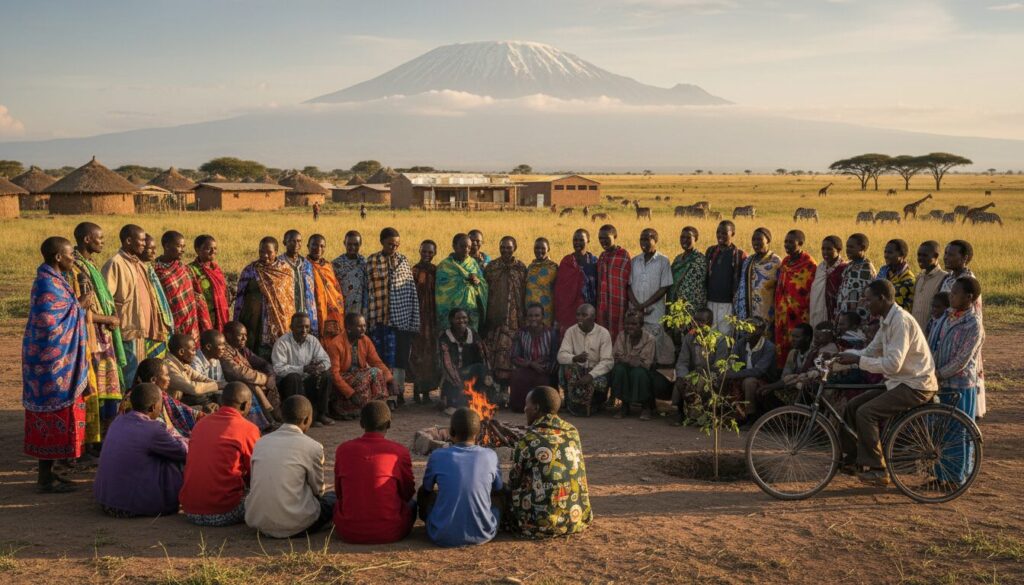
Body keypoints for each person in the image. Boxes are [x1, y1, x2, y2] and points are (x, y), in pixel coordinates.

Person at [836, 279, 938, 486]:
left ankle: (877, 468)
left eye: (868, 299)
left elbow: (893, 365)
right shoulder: (887, 320)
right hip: (899, 382)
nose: (865, 303)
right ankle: (854, 459)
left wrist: (858, 361)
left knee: (867, 412)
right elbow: (869, 352)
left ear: (882, 299)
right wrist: (840, 357)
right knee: (853, 406)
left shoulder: (900, 321)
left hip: (915, 384)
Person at [24, 236, 89, 493]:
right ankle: (45, 477)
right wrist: (80, 306)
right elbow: (50, 323)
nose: (74, 257)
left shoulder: (56, 280)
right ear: (58, 257)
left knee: (61, 415)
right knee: (50, 414)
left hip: (60, 360)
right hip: (48, 365)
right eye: (71, 253)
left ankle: (54, 473)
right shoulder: (45, 284)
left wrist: (76, 306)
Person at [66, 222, 125, 447]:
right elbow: (78, 308)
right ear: (87, 240)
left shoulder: (89, 265)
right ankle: (92, 443)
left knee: (108, 391)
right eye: (99, 238)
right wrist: (107, 319)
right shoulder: (75, 269)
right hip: (92, 339)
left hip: (103, 338)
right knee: (95, 393)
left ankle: (103, 441)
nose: (103, 241)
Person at [507, 386, 592, 538]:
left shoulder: (528, 439)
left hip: (540, 523)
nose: (524, 409)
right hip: (575, 517)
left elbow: (514, 480)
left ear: (536, 408)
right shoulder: (572, 431)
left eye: (527, 405)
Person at [245, 395, 335, 538]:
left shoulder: (261, 442)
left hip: (258, 521)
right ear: (307, 420)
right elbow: (318, 490)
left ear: (281, 415)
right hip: (296, 524)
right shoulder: (313, 447)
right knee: (333, 499)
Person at [94, 383, 188, 517]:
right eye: (161, 404)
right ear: (153, 407)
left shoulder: (118, 421)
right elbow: (184, 453)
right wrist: (179, 437)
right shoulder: (153, 429)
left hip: (106, 502)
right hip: (132, 506)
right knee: (176, 462)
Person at [927, 277, 984, 486]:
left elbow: (963, 358)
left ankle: (955, 477)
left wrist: (940, 373)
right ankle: (939, 475)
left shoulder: (973, 324)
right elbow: (934, 343)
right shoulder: (947, 316)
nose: (951, 296)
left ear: (968, 297)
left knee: (958, 431)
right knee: (940, 429)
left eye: (955, 293)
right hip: (941, 381)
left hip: (960, 384)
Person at [333, 401, 415, 544]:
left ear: (361, 424)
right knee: (414, 504)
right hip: (391, 530)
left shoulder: (343, 450)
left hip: (348, 531)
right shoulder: (399, 452)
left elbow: (339, 493)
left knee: (331, 499)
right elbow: (407, 493)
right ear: (389, 424)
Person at [419, 408, 503, 547]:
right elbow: (498, 488)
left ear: (451, 432)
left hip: (441, 535)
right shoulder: (490, 455)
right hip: (483, 534)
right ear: (479, 433)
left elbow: (426, 489)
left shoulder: (437, 456)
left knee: (425, 494)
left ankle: (437, 522)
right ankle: (483, 521)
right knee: (500, 497)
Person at [179, 382, 260, 526]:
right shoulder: (248, 429)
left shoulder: (201, 424)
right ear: (244, 405)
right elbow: (255, 474)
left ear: (222, 401)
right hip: (224, 511)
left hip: (190, 511)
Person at [102, 224, 169, 383]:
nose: (144, 245)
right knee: (129, 373)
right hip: (128, 328)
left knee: (142, 372)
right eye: (141, 241)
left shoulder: (139, 264)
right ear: (128, 241)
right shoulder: (115, 263)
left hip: (142, 329)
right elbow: (105, 299)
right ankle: (128, 405)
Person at [365, 227, 420, 405]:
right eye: (390, 244)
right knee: (381, 358)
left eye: (396, 244)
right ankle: (383, 394)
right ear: (382, 242)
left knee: (399, 358)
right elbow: (368, 290)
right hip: (379, 318)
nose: (393, 247)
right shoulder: (372, 261)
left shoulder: (403, 261)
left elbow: (410, 289)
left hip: (401, 319)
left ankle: (398, 393)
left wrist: (412, 319)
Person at [940, 239, 986, 418]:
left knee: (965, 371)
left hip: (965, 333)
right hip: (948, 328)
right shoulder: (950, 278)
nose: (946, 257)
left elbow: (975, 314)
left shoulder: (968, 282)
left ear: (964, 258)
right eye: (946, 253)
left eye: (951, 254)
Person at [234, 236, 296, 358]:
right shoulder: (250, 270)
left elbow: (289, 301)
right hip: (254, 321)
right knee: (253, 352)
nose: (265, 256)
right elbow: (240, 298)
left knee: (278, 354)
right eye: (261, 252)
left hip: (279, 321)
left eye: (269, 252)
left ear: (277, 252)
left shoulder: (285, 271)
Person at [483, 236, 528, 396]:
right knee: (494, 356)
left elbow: (525, 293)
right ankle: (497, 392)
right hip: (495, 319)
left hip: (515, 320)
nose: (505, 250)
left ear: (515, 248)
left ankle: (511, 392)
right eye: (502, 247)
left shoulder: (521, 268)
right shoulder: (492, 267)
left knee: (512, 356)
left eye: (509, 247)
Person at [324, 313, 393, 417]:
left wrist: (390, 379)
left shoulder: (365, 340)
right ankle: (366, 409)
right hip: (342, 379)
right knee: (369, 375)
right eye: (359, 326)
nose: (363, 329)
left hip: (357, 376)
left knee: (376, 371)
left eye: (364, 326)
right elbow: (334, 375)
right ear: (349, 328)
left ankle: (379, 407)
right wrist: (351, 393)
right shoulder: (336, 344)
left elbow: (376, 362)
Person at [272, 313, 333, 426]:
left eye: (307, 327)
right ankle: (300, 417)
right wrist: (302, 369)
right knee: (294, 377)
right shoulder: (282, 342)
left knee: (326, 375)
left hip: (306, 381)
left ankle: (321, 414)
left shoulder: (312, 341)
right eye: (300, 327)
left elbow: (326, 360)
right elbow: (278, 369)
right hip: (289, 385)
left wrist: (319, 367)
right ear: (291, 327)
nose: (304, 330)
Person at [153, 230, 212, 345]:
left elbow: (197, 296)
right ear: (167, 246)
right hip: (171, 323)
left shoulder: (184, 268)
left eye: (183, 246)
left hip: (191, 321)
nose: (183, 250)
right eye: (179, 246)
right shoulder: (156, 271)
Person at [557, 303, 614, 416]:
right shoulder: (571, 331)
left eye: (584, 315)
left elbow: (607, 361)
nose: (580, 318)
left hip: (595, 373)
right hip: (578, 371)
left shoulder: (603, 333)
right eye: (578, 315)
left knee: (602, 376)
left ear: (593, 317)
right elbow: (561, 355)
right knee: (566, 366)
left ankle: (595, 402)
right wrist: (574, 358)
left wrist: (591, 375)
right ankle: (572, 402)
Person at [673, 307, 726, 424]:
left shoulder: (720, 339)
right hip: (694, 373)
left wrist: (703, 375)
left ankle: (706, 415)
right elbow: (682, 361)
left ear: (710, 323)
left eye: (702, 321)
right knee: (680, 380)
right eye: (695, 320)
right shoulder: (689, 337)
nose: (697, 324)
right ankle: (679, 412)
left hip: (711, 374)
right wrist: (682, 376)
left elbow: (719, 366)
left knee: (702, 382)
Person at [129, 358, 204, 438]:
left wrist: (206, 415)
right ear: (153, 380)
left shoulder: (162, 395)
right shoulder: (135, 399)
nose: (169, 379)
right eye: (166, 375)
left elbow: (182, 409)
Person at [774, 230, 817, 367]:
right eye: (785, 241)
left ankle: (796, 376)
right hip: (782, 314)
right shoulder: (785, 261)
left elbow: (810, 291)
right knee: (782, 344)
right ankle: (782, 373)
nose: (787, 245)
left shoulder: (809, 264)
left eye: (791, 242)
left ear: (801, 243)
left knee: (797, 343)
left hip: (799, 315)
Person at [438, 308, 495, 412]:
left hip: (470, 372)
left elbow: (483, 354)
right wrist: (458, 382)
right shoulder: (445, 337)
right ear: (451, 320)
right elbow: (447, 363)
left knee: (480, 368)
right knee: (454, 401)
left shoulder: (472, 334)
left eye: (464, 318)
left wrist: (488, 374)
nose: (461, 321)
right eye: (458, 318)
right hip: (452, 375)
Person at [222, 321, 280, 422]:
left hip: (247, 380)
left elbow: (263, 364)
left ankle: (275, 415)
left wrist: (270, 375)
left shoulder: (241, 350)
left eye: (246, 335)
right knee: (251, 386)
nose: (245, 339)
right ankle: (268, 419)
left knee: (275, 378)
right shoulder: (224, 351)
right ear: (229, 335)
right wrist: (264, 379)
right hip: (232, 384)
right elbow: (238, 372)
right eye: (241, 335)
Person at [509, 303, 560, 413]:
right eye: (530, 316)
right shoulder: (521, 333)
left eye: (537, 316)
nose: (533, 319)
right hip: (527, 367)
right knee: (518, 378)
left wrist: (544, 368)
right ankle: (520, 407)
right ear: (527, 317)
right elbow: (514, 356)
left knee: (542, 385)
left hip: (545, 370)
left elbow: (555, 357)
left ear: (543, 317)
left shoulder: (552, 333)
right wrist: (531, 364)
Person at [723, 316, 776, 421]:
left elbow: (758, 371)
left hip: (764, 380)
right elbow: (733, 361)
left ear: (760, 331)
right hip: (742, 376)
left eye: (752, 328)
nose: (747, 331)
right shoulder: (741, 343)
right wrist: (729, 372)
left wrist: (733, 374)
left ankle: (751, 417)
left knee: (749, 382)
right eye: (746, 328)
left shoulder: (768, 347)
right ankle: (733, 415)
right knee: (724, 379)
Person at [436, 233, 488, 332]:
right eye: (463, 246)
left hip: (470, 308)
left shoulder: (472, 262)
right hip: (450, 311)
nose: (466, 250)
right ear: (454, 246)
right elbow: (440, 289)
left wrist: (477, 281)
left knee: (470, 338)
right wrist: (462, 279)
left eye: (469, 247)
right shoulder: (444, 266)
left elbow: (482, 283)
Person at [409, 240, 440, 402]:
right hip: (417, 318)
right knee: (417, 355)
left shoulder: (437, 271)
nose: (427, 255)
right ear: (419, 251)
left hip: (432, 318)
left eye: (430, 252)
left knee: (430, 355)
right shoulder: (413, 271)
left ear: (435, 253)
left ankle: (427, 392)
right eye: (424, 252)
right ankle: (415, 391)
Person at [611, 312, 657, 420]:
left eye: (634, 324)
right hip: (626, 367)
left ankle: (646, 407)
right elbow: (617, 357)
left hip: (644, 370)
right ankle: (625, 406)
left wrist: (627, 359)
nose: (629, 327)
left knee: (638, 373)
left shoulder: (649, 339)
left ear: (641, 325)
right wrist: (631, 360)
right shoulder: (622, 336)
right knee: (619, 370)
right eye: (627, 324)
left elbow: (644, 363)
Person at [553, 228, 599, 336]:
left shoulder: (594, 262)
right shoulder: (566, 261)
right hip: (568, 311)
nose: (577, 243)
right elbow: (560, 290)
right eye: (575, 240)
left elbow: (598, 287)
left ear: (588, 241)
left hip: (588, 309)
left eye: (581, 240)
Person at [628, 228, 673, 336]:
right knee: (635, 344)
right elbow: (628, 286)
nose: (643, 243)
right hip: (635, 313)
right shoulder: (634, 261)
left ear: (655, 240)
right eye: (641, 240)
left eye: (646, 240)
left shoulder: (663, 261)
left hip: (655, 314)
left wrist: (643, 306)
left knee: (654, 344)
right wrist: (637, 306)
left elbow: (664, 288)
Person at [705, 220, 746, 335]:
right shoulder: (711, 251)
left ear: (732, 234)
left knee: (725, 335)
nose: (720, 236)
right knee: (710, 334)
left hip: (728, 303)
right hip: (710, 300)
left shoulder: (738, 254)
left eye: (724, 233)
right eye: (718, 232)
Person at [735, 227, 781, 326]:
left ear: (768, 240)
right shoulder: (748, 260)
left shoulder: (776, 262)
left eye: (759, 239)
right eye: (753, 239)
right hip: (745, 313)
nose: (755, 242)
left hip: (766, 312)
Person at [140, 234, 176, 359]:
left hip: (161, 320)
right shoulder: (139, 269)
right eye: (150, 248)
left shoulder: (150, 268)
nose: (154, 251)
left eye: (155, 247)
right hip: (147, 323)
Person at [165, 333, 223, 409]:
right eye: (193, 350)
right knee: (203, 399)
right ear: (181, 352)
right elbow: (193, 388)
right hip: (169, 406)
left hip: (178, 402)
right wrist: (218, 385)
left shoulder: (183, 364)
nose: (195, 353)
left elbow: (201, 378)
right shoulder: (169, 367)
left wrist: (220, 384)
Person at [596, 224, 631, 343]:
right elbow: (600, 282)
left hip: (619, 303)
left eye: (606, 238)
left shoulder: (624, 255)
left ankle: (618, 359)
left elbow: (628, 282)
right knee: (603, 335)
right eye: (600, 238)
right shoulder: (601, 256)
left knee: (619, 334)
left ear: (615, 236)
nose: (603, 241)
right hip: (603, 304)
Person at [189, 235, 231, 332]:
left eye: (215, 248)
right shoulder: (191, 270)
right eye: (208, 249)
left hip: (220, 314)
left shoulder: (216, 269)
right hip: (202, 317)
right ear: (197, 250)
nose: (213, 251)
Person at [306, 234, 346, 336]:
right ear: (308, 246)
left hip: (333, 310)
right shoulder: (304, 266)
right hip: (313, 309)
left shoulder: (328, 266)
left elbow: (335, 288)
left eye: (322, 246)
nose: (318, 249)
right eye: (314, 245)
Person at [281, 230, 319, 334]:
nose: (296, 244)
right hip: (287, 312)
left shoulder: (306, 264)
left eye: (299, 241)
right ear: (284, 242)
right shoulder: (279, 264)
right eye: (292, 241)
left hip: (306, 310)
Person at [809, 235, 848, 327]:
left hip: (836, 312)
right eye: (823, 249)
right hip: (818, 311)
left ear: (838, 250)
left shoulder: (844, 268)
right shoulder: (820, 268)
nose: (825, 252)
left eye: (829, 249)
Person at [835, 233, 876, 319]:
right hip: (844, 314)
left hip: (856, 319)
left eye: (851, 247)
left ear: (862, 248)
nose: (847, 250)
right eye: (847, 247)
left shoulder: (867, 268)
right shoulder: (850, 265)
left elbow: (865, 297)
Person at [911, 240, 948, 330]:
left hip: (932, 332)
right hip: (916, 331)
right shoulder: (920, 277)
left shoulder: (944, 278)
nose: (920, 258)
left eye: (925, 255)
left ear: (936, 256)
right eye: (919, 255)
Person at [668, 226, 707, 311]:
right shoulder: (677, 259)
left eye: (688, 237)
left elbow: (699, 286)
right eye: (682, 237)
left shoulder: (700, 259)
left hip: (692, 307)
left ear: (695, 239)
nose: (684, 240)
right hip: (675, 305)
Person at [332, 230, 368, 316]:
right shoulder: (336, 264)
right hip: (342, 308)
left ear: (360, 244)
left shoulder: (364, 263)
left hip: (360, 309)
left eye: (356, 244)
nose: (352, 247)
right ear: (344, 243)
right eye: (349, 244)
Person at [524, 237, 558, 328]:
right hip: (530, 312)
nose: (539, 251)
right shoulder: (530, 267)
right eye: (536, 248)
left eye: (543, 248)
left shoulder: (553, 268)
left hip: (546, 312)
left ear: (548, 249)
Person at [877, 239, 915, 312]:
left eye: (890, 252)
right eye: (885, 252)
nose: (886, 255)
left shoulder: (908, 279)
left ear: (901, 255)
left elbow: (891, 302)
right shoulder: (884, 271)